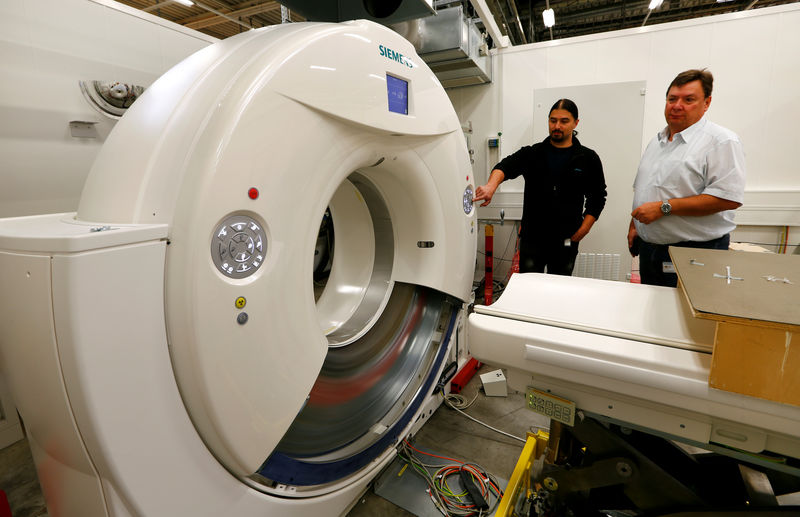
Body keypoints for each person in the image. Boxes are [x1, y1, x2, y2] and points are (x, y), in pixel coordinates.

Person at [629, 69, 745, 287]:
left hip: (695, 251)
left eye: (689, 99)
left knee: (685, 317)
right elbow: (646, 188)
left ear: (706, 102)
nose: (677, 105)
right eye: (672, 99)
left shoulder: (721, 141)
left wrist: (664, 207)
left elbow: (728, 198)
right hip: (650, 249)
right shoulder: (657, 142)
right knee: (651, 313)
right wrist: (634, 226)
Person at [473, 99, 607, 275]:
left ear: (576, 123)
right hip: (532, 239)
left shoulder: (588, 158)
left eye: (564, 121)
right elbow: (505, 167)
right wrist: (491, 186)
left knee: (558, 289)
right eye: (553, 120)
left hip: (566, 239)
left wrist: (583, 230)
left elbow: (597, 197)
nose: (557, 126)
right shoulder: (533, 153)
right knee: (529, 289)